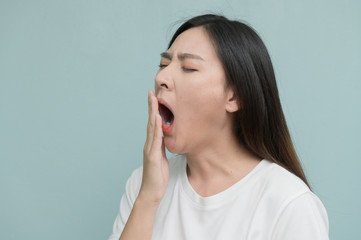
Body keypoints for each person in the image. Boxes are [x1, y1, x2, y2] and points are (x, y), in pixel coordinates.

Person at [108, 14, 329, 240]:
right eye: (163, 64)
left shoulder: (289, 205)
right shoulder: (143, 184)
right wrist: (147, 198)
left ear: (234, 96)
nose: (162, 77)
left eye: (189, 68)